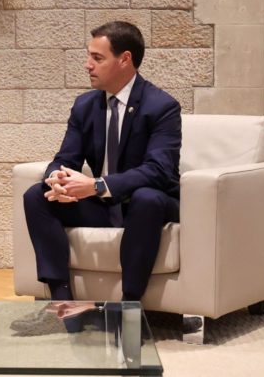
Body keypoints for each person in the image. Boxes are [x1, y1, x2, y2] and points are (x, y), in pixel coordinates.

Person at [23, 21, 181, 304]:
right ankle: (63, 303)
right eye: (88, 56)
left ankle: (129, 307)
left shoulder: (162, 107)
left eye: (97, 58)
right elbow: (65, 158)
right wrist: (57, 180)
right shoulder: (85, 105)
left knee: (147, 198)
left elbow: (159, 171)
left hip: (146, 206)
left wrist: (97, 185)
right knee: (37, 196)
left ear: (125, 60)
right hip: (105, 207)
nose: (87, 65)